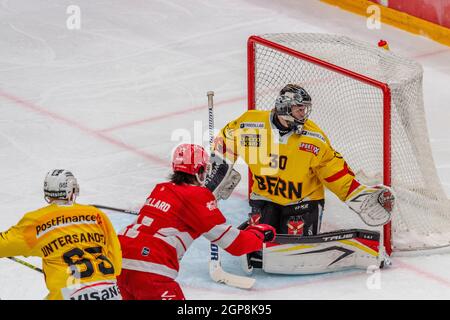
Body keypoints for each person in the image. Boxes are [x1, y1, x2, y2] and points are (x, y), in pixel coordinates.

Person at [206, 84, 395, 269]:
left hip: (303, 201)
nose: (303, 114)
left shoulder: (314, 138)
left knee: (293, 250)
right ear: (284, 107)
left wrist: (358, 195)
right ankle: (250, 230)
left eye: (304, 109)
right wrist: (216, 176)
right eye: (299, 109)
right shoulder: (250, 124)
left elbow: (334, 171)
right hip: (264, 197)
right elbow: (225, 142)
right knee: (258, 251)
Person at [117, 143, 276, 300]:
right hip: (150, 268)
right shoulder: (196, 196)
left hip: (120, 263)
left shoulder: (161, 189)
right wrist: (259, 234)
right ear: (200, 172)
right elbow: (236, 244)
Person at [0, 169, 122, 300]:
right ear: (72, 190)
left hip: (69, 295)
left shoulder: (37, 220)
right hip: (110, 293)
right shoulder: (97, 215)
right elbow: (116, 262)